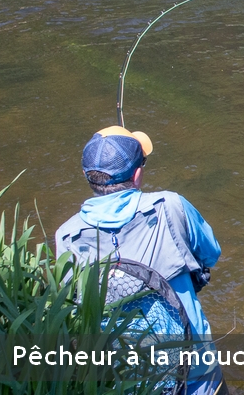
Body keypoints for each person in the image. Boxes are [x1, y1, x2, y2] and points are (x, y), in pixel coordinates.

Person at [55, 126, 226, 395]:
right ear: (137, 175)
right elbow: (211, 253)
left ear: (88, 177)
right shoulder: (171, 205)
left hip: (124, 377)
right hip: (194, 369)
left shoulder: (67, 235)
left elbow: (73, 306)